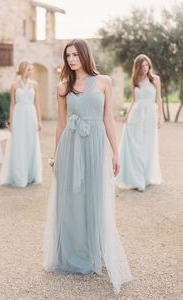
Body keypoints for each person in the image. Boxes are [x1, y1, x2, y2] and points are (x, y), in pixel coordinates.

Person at [43, 39, 132, 294]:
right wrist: (56, 155)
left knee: (95, 198)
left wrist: (116, 153)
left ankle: (94, 251)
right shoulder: (63, 87)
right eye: (67, 55)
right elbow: (60, 124)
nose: (71, 59)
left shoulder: (104, 81)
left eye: (74, 54)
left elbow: (108, 119)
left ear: (84, 55)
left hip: (95, 147)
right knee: (71, 199)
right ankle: (72, 254)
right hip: (71, 147)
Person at [116, 54, 163, 192]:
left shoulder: (155, 80)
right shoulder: (135, 80)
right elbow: (133, 101)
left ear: (149, 65)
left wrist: (161, 117)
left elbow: (158, 99)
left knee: (147, 145)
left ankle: (145, 177)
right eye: (142, 66)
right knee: (134, 146)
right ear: (137, 67)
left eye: (147, 65)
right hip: (135, 116)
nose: (145, 68)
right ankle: (137, 179)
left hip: (149, 116)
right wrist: (127, 114)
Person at [0, 61, 42, 187]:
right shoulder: (14, 85)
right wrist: (9, 122)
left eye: (32, 69)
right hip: (18, 116)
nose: (31, 72)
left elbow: (37, 103)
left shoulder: (35, 84)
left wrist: (39, 120)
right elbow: (12, 104)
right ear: (23, 70)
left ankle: (31, 175)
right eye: (29, 69)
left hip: (30, 115)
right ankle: (19, 175)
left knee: (31, 143)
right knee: (18, 144)